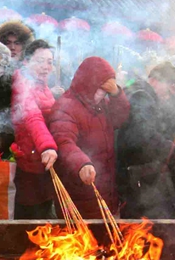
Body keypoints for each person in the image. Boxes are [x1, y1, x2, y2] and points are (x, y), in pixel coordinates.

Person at [48, 56, 130, 219]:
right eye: (101, 89)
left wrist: (116, 93)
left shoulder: (100, 105)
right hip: (79, 192)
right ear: (88, 84)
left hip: (105, 188)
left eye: (106, 91)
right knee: (83, 242)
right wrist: (82, 163)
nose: (102, 94)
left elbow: (120, 118)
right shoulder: (66, 106)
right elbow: (64, 141)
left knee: (109, 242)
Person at [117, 62, 175, 219]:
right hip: (134, 176)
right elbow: (143, 134)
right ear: (155, 80)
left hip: (136, 175)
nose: (168, 93)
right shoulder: (141, 96)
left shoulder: (142, 94)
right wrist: (174, 151)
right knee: (140, 227)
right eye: (168, 86)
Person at [10, 39, 59, 219]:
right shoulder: (21, 83)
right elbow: (32, 116)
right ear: (26, 61)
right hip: (28, 163)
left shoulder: (43, 86)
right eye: (40, 61)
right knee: (31, 219)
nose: (46, 66)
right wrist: (47, 146)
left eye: (49, 62)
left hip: (43, 162)